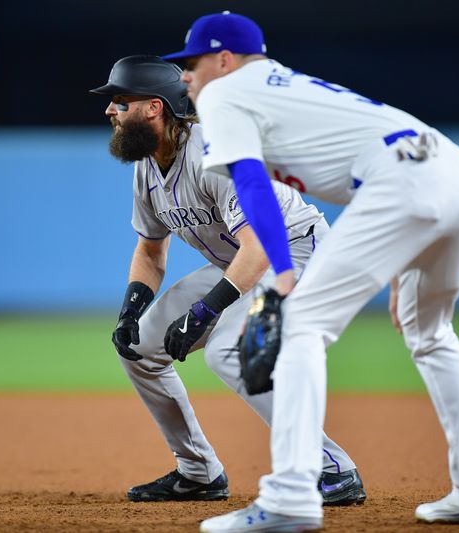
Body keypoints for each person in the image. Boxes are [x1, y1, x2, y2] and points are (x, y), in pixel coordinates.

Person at [161, 12, 459, 532]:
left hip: (404, 183)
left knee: (300, 326)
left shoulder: (224, 95)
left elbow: (253, 187)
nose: (185, 75)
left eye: (190, 62)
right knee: (431, 333)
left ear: (224, 59)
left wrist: (283, 277)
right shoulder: (282, 84)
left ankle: (291, 498)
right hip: (454, 169)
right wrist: (402, 260)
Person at [90, 55, 366, 507]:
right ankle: (198, 473)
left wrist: (206, 311)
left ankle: (331, 468)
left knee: (227, 350)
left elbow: (259, 246)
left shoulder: (214, 154)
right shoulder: (147, 166)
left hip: (294, 255)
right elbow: (151, 250)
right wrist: (131, 309)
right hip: (239, 262)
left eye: (121, 101)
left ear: (155, 108)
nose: (110, 111)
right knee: (139, 347)